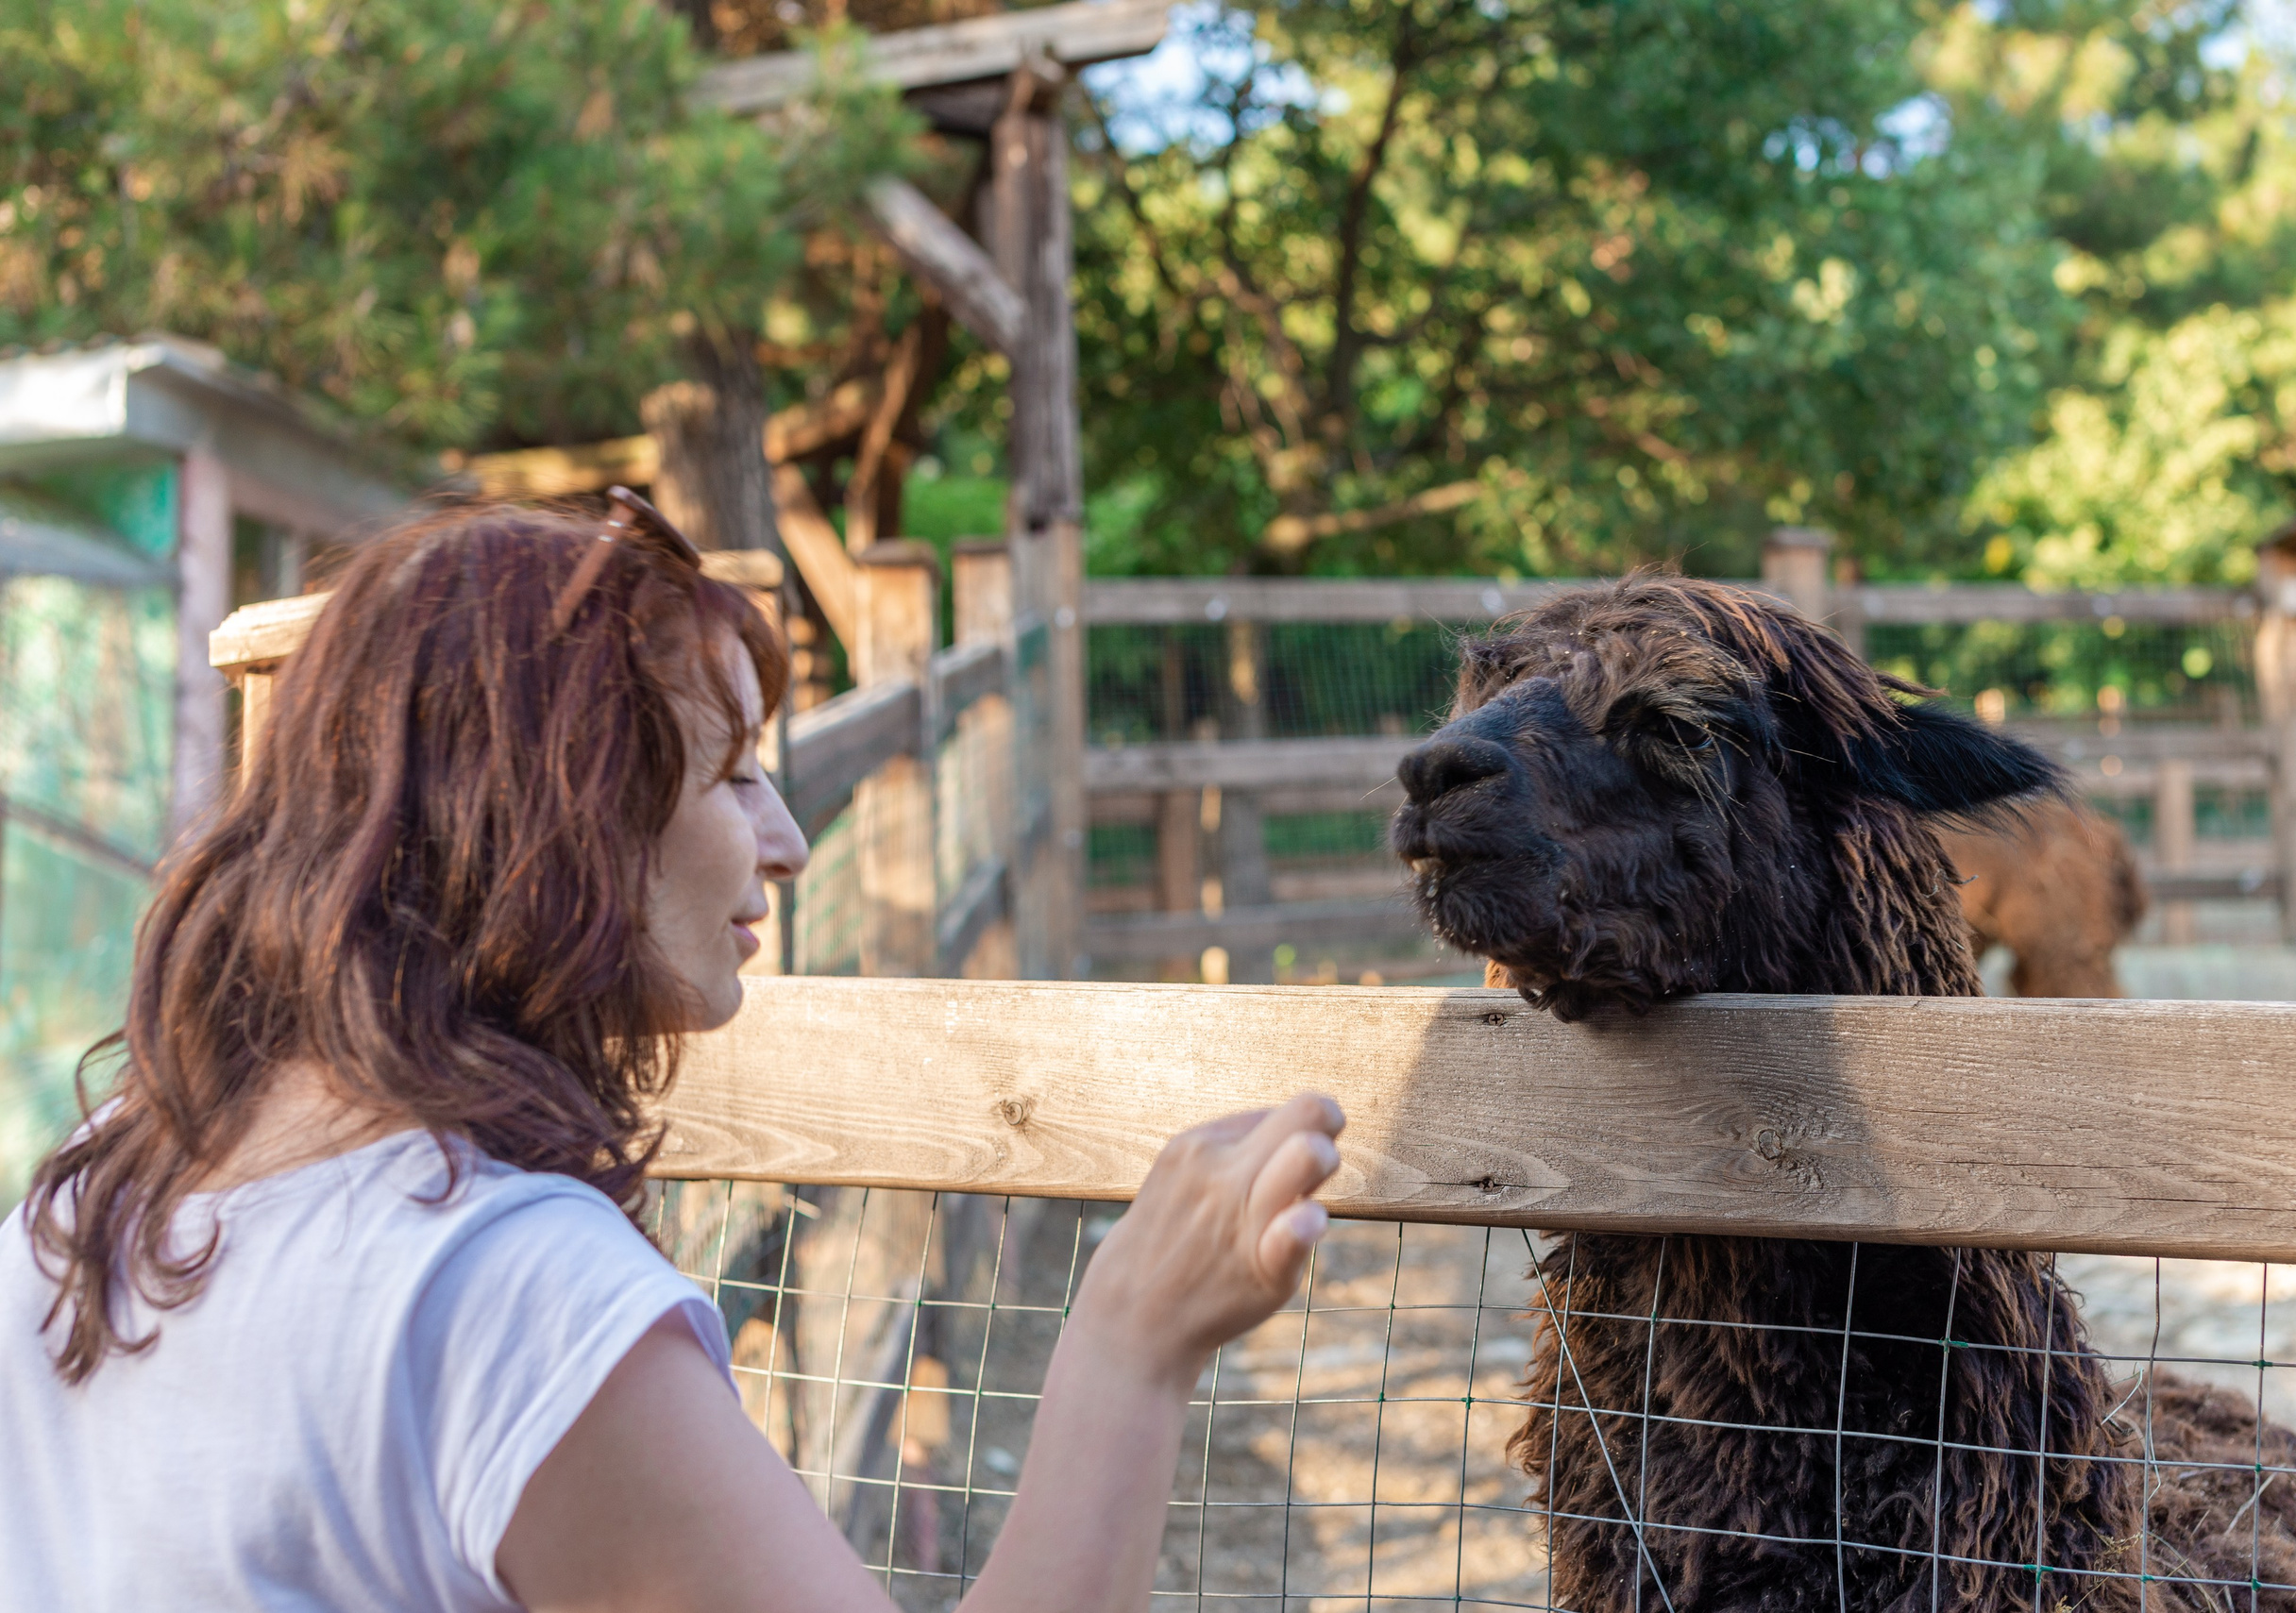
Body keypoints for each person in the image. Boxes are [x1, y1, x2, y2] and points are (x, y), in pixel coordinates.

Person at [0, 496, 1346, 1612]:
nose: (788, 839)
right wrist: (1132, 1341)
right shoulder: (502, 1290)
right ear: (567, 812)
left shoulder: (87, 1200)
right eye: (734, 772)